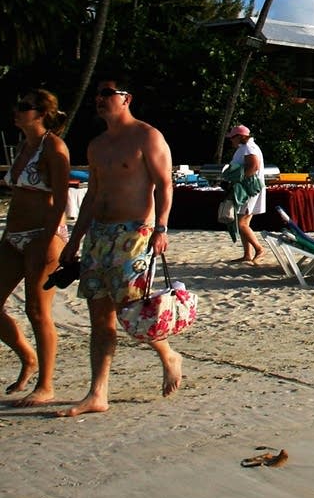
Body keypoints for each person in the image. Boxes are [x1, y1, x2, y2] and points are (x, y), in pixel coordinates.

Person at [57, 77, 181, 416]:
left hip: (134, 234)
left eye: (107, 94)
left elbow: (164, 185)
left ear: (126, 98)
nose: (99, 99)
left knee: (131, 310)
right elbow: (92, 195)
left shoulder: (147, 136)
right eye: (98, 94)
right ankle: (97, 393)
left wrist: (161, 228)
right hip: (99, 234)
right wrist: (76, 238)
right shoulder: (97, 145)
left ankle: (168, 355)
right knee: (99, 315)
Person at [1, 89, 71, 406]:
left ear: (41, 113)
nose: (17, 111)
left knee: (37, 311)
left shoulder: (53, 148)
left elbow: (61, 199)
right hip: (13, 234)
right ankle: (27, 357)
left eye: (24, 107)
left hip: (43, 234)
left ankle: (46, 384)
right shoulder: (23, 146)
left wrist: (46, 239)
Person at [225, 125, 266, 263]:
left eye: (232, 138)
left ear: (240, 137)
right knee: (242, 221)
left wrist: (239, 179)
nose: (231, 140)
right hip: (247, 187)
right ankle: (247, 254)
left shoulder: (249, 147)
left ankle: (259, 249)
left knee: (242, 222)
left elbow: (254, 166)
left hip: (249, 188)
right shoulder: (245, 147)